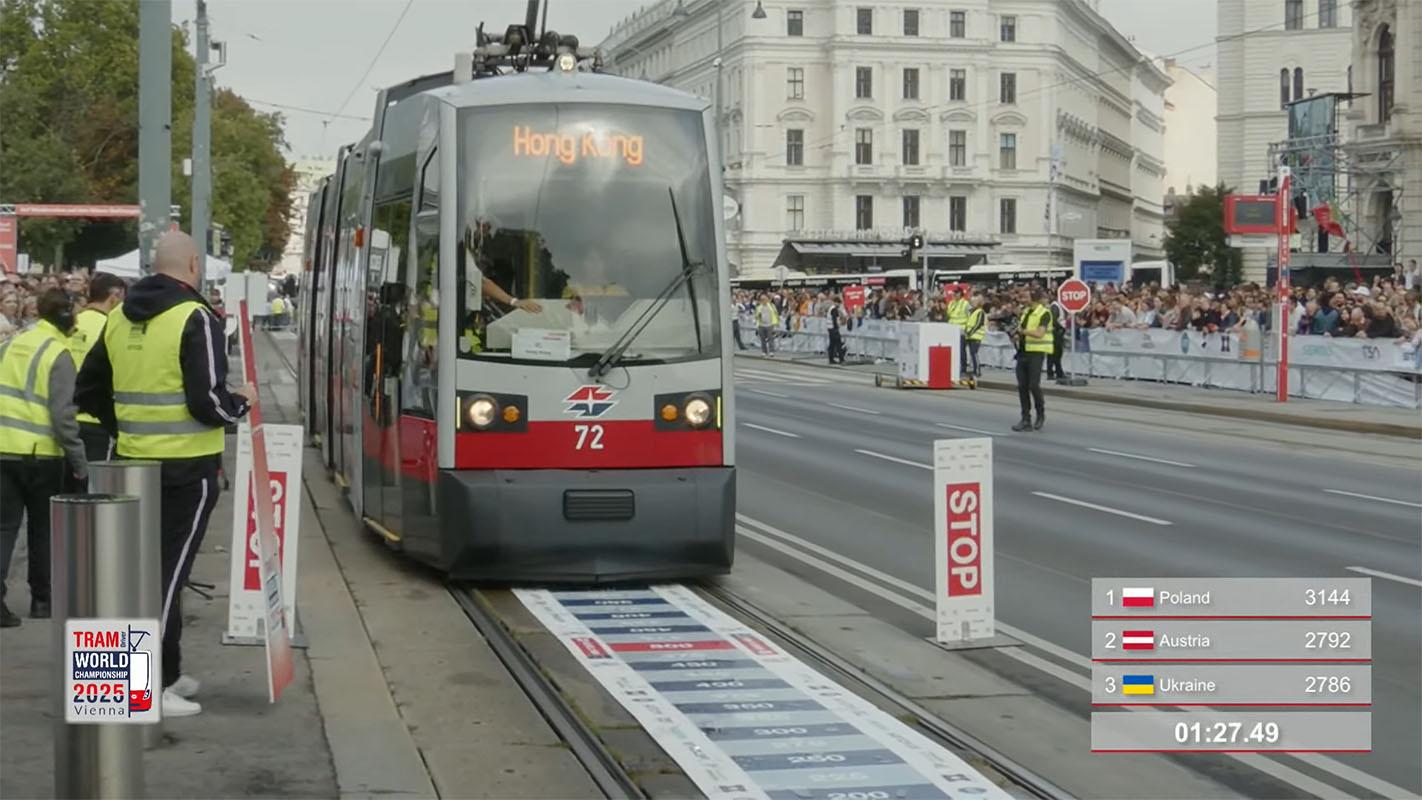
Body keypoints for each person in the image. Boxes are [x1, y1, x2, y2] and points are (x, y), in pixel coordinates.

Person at [77, 231, 255, 716]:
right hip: (186, 468)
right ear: (194, 265)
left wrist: (125, 427)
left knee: (144, 572)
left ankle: (168, 674)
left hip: (130, 463)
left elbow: (88, 389)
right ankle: (145, 690)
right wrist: (241, 404)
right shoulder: (196, 317)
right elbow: (209, 401)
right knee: (166, 576)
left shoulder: (117, 317)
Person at [0, 289, 88, 628]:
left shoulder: (11, 345)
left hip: (4, 449)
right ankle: (42, 600)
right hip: (41, 455)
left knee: (4, 528)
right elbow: (63, 417)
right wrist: (79, 462)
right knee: (42, 529)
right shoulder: (58, 354)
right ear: (65, 317)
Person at [70, 272, 126, 462]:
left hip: (64, 417)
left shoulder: (71, 324)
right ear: (114, 297)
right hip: (95, 418)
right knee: (93, 486)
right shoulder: (111, 328)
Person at [1013, 287, 1053, 432]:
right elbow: (1021, 331)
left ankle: (1040, 414)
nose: (1023, 300)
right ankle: (1025, 419)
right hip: (1023, 353)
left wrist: (1023, 332)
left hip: (1036, 353)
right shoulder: (1025, 313)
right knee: (1022, 386)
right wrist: (1016, 335)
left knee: (1033, 385)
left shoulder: (1044, 313)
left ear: (1033, 298)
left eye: (1026, 297)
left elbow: (1040, 333)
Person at [962, 294, 987, 387]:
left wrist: (970, 332)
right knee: (972, 354)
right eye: (971, 302)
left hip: (976, 336)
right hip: (970, 336)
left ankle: (977, 370)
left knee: (974, 353)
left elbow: (978, 324)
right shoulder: (972, 311)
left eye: (974, 302)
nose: (972, 303)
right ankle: (975, 369)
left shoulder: (980, 312)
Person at [826, 293, 846, 365]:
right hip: (834, 329)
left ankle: (831, 359)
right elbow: (834, 320)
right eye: (838, 303)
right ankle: (841, 359)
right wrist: (836, 328)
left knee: (832, 344)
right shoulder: (834, 309)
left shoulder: (831, 308)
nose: (839, 305)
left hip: (830, 328)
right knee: (838, 344)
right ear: (836, 302)